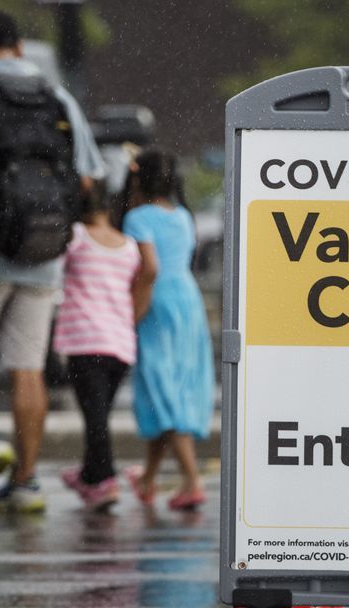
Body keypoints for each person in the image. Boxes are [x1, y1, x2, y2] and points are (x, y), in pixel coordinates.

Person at [0, 11, 105, 513]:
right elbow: (88, 178)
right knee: (28, 368)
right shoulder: (57, 96)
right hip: (43, 252)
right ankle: (25, 483)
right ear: (20, 48)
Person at [120, 148, 214, 511]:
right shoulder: (183, 216)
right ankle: (148, 479)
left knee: (162, 386)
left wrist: (132, 315)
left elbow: (150, 269)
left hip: (157, 301)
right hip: (187, 299)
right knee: (176, 383)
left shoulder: (137, 217)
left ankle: (191, 480)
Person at [54, 180, 157, 511]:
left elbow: (52, 273)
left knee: (95, 416)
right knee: (98, 413)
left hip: (85, 343)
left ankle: (104, 480)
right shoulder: (128, 246)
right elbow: (143, 279)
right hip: (120, 345)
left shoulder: (76, 238)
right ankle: (88, 474)